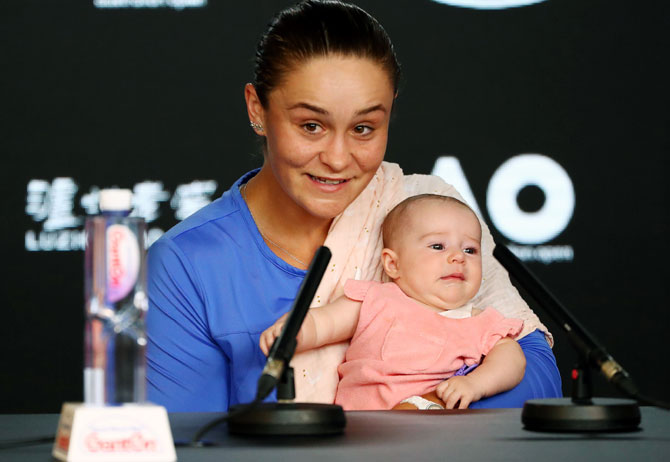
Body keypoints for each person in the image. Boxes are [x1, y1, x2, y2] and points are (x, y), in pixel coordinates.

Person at [146, 0, 562, 412]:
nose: (339, 158)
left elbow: (537, 376)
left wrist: (423, 409)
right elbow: (186, 444)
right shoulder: (187, 264)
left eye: (364, 128)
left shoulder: (427, 213)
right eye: (311, 126)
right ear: (258, 109)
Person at [260, 195, 526, 410]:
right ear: (392, 264)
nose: (458, 257)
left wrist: (475, 384)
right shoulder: (377, 299)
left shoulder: (480, 321)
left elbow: (512, 359)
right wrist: (292, 332)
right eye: (437, 246)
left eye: (470, 250)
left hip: (430, 435)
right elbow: (325, 322)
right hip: (357, 433)